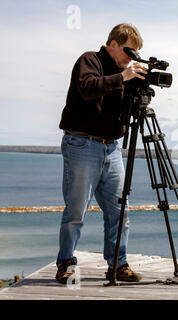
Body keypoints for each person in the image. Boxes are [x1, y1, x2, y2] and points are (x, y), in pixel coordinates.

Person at [56, 23, 149, 284]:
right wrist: (123, 78)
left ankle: (118, 264)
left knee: (120, 211)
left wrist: (134, 90)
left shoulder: (125, 74)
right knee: (76, 211)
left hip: (112, 148)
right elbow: (87, 87)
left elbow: (123, 113)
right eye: (130, 51)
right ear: (113, 44)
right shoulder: (90, 60)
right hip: (82, 144)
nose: (133, 58)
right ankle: (65, 263)